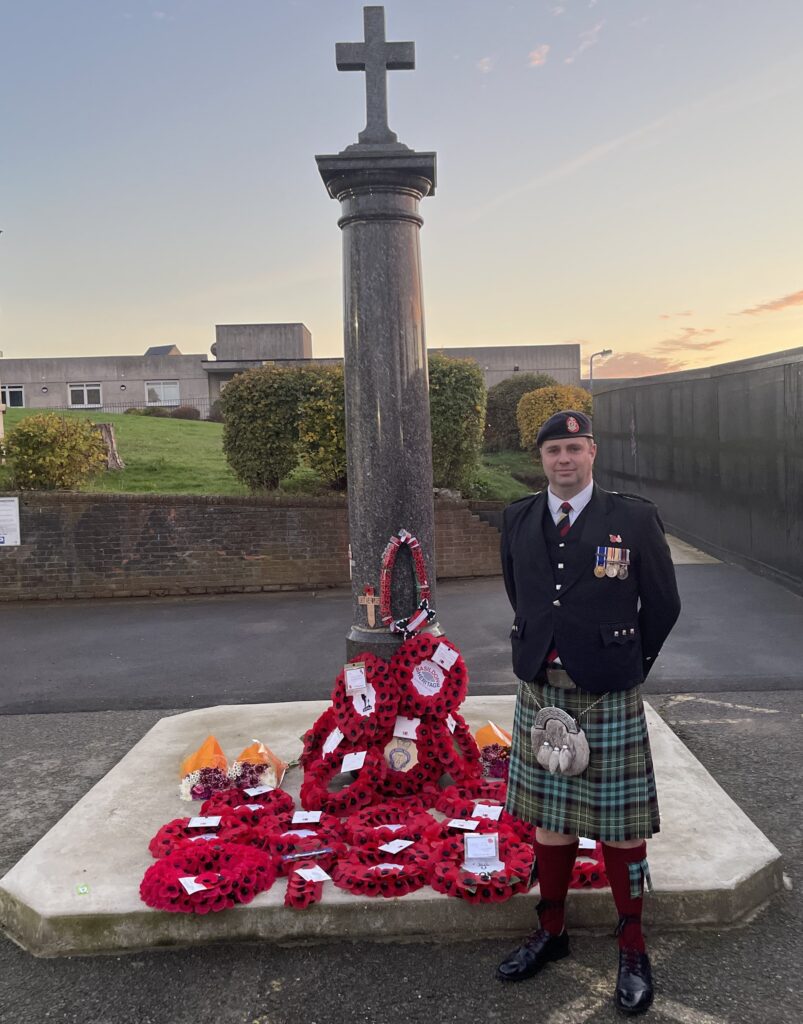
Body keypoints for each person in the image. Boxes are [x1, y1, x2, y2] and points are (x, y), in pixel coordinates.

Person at [497, 409, 681, 1016]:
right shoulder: (518, 518)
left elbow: (662, 604)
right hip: (542, 690)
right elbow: (520, 595)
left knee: (623, 827)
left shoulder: (631, 517)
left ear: (593, 452)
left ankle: (632, 944)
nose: (564, 459)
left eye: (574, 448)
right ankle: (552, 931)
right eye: (554, 451)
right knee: (550, 822)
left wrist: (628, 664)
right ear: (542, 460)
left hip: (608, 690)